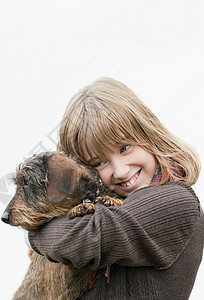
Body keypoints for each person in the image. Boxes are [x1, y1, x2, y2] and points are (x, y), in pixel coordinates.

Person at [27, 77, 204, 299]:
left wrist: (33, 235)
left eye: (125, 147)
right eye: (98, 162)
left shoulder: (175, 201)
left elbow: (81, 241)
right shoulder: (111, 205)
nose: (120, 171)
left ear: (149, 134)